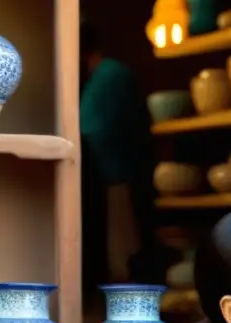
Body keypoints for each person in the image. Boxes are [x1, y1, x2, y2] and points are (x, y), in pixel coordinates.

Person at [79, 20, 165, 288]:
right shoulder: (102, 78)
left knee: (122, 256)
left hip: (117, 179)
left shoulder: (110, 76)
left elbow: (97, 132)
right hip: (106, 179)